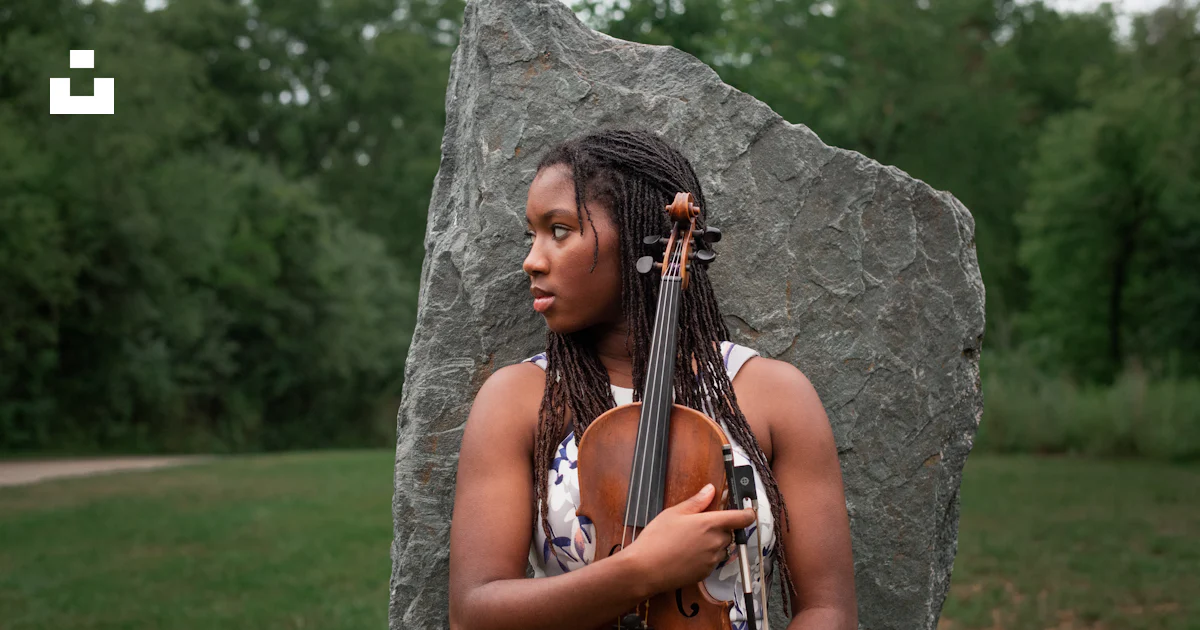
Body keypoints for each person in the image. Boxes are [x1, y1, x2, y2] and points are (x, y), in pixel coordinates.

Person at [448, 128, 857, 630]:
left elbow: (827, 610)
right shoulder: (517, 400)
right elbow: (473, 613)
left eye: (558, 230)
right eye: (530, 235)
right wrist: (637, 572)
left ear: (640, 236)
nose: (532, 260)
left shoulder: (774, 394)